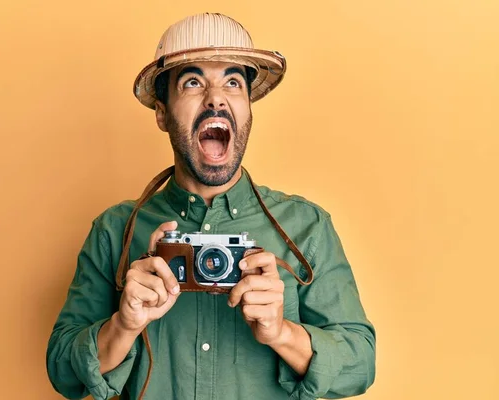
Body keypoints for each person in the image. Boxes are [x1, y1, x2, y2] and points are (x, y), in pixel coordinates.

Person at [46, 13, 376, 400]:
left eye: (233, 82)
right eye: (192, 82)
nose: (216, 97)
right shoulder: (114, 230)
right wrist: (124, 325)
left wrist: (281, 333)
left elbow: (361, 364)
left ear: (248, 109)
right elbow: (62, 373)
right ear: (162, 113)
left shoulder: (307, 226)